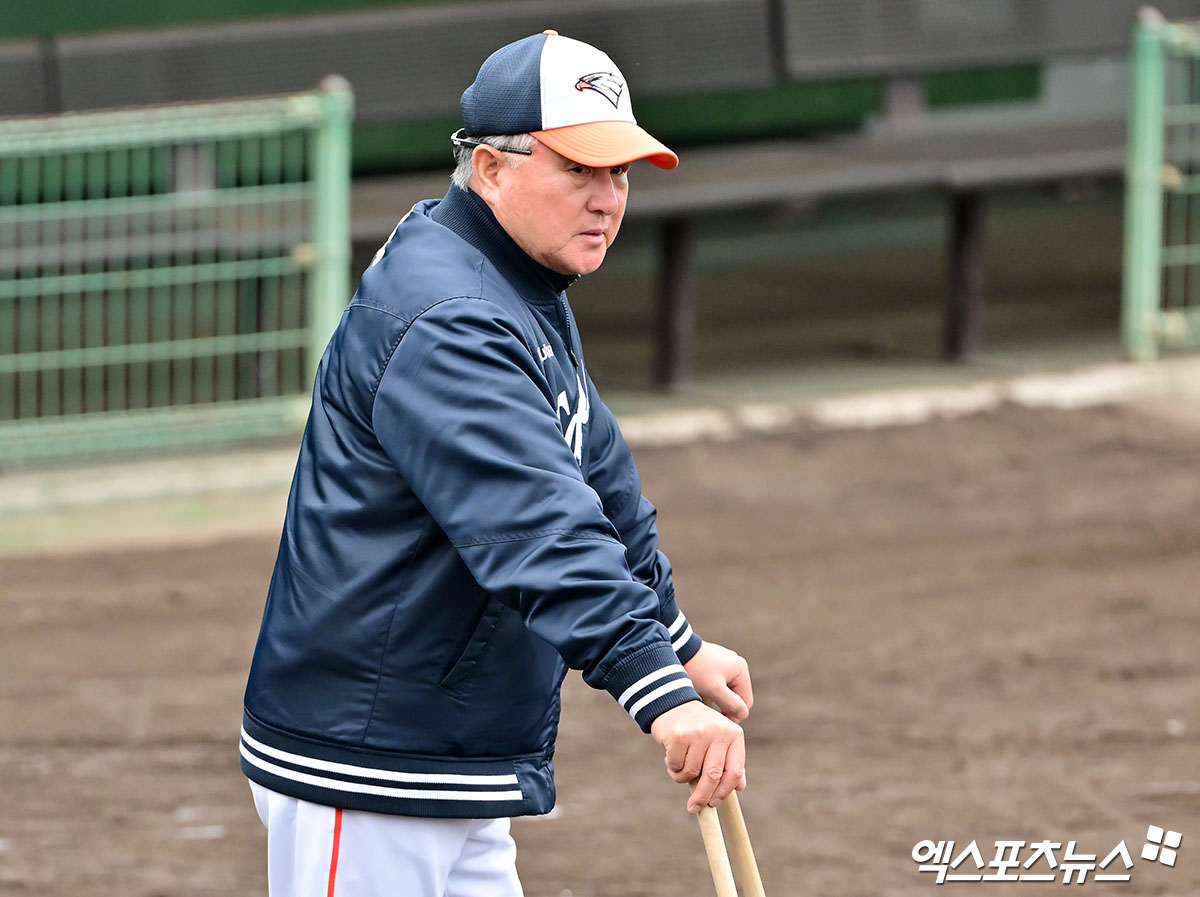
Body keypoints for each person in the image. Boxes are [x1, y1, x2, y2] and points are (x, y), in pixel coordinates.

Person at [240, 29, 753, 897]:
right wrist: (659, 694)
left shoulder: (513, 276)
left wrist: (674, 643)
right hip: (367, 763)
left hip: (442, 750)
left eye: (620, 173)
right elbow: (536, 522)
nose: (607, 200)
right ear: (489, 167)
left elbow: (595, 474)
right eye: (578, 170)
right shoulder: (452, 315)